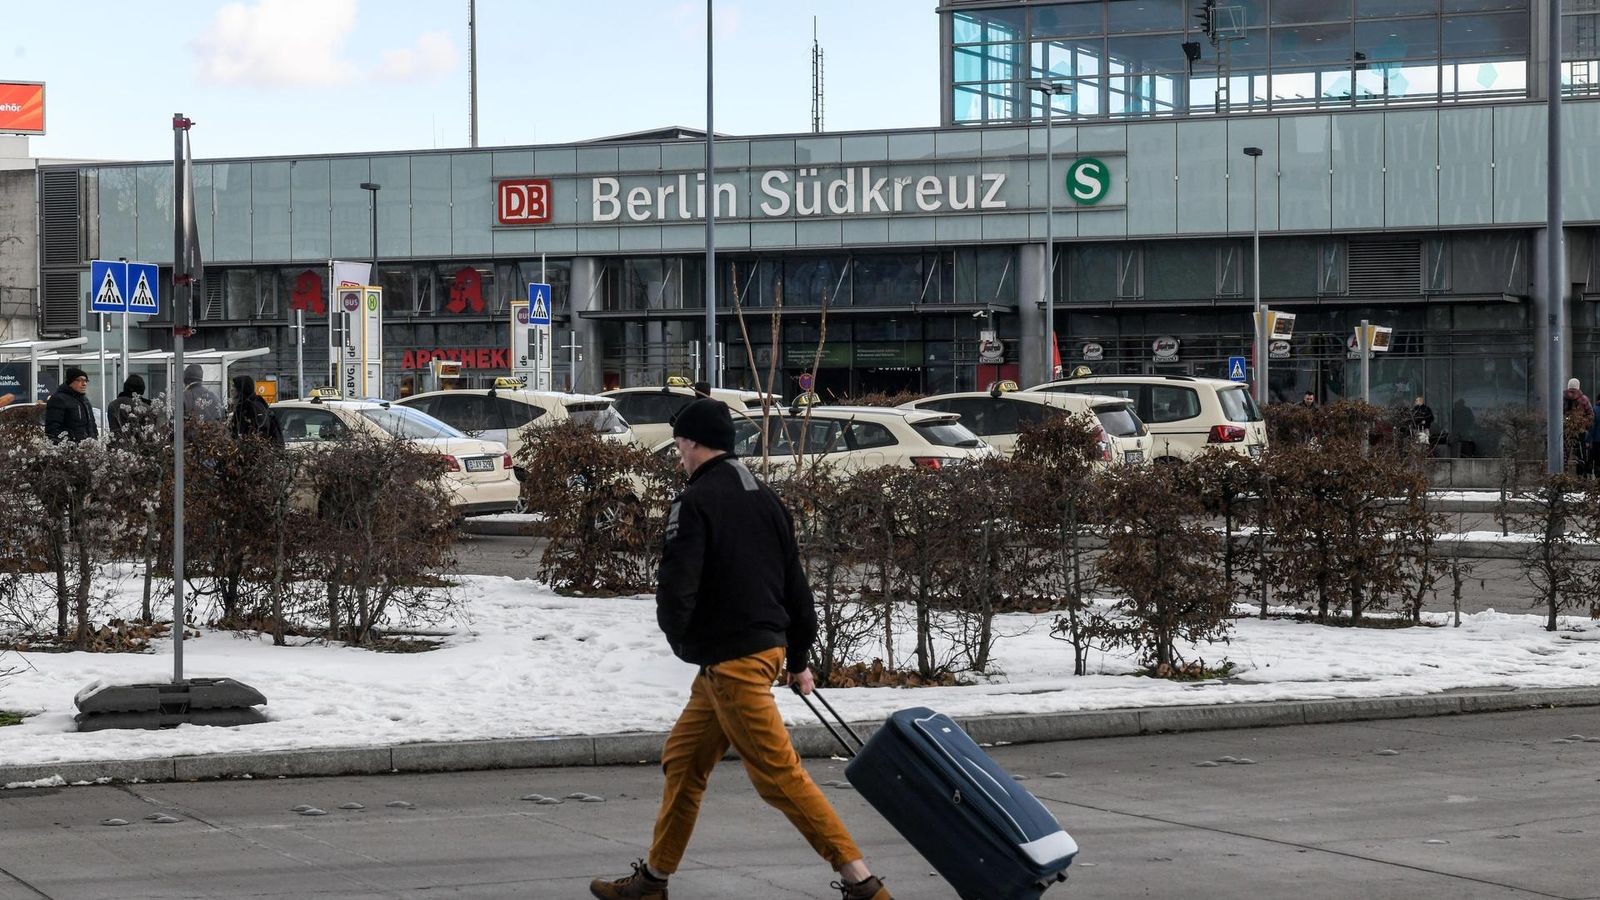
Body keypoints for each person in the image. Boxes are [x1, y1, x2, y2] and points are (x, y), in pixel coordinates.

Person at [589, 399, 891, 900]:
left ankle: (864, 884)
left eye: (680, 444)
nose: (679, 454)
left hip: (731, 662)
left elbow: (676, 585)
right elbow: (796, 585)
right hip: (750, 655)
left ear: (689, 443)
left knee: (780, 777)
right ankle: (653, 882)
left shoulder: (696, 500)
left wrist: (683, 641)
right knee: (683, 761)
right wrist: (796, 659)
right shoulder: (765, 497)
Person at [43, 366, 98, 442]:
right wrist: (69, 444)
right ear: (70, 382)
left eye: (86, 380)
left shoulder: (85, 400)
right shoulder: (58, 399)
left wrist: (95, 440)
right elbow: (53, 429)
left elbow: (92, 425)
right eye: (80, 380)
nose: (84, 384)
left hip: (88, 449)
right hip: (70, 450)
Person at [228, 374, 278, 442]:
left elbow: (261, 433)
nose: (231, 389)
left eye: (234, 386)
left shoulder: (255, 407)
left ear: (242, 389)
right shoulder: (241, 407)